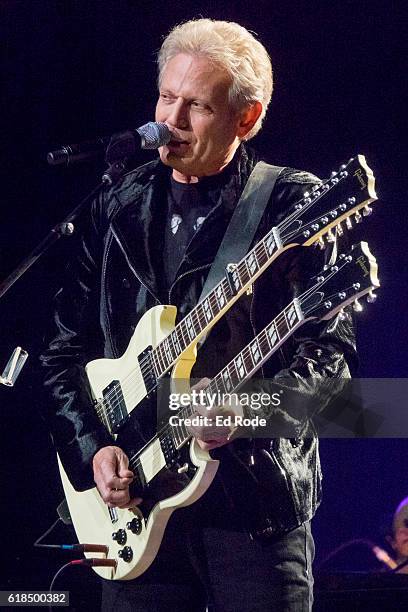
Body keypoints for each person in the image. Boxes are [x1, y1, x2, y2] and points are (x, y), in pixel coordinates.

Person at [40, 18, 357, 611]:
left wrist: (248, 408)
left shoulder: (292, 203)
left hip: (254, 511)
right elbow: (62, 349)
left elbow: (332, 371)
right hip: (135, 509)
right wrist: (92, 449)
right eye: (166, 96)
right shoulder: (118, 202)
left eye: (197, 106)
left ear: (247, 117)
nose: (171, 120)